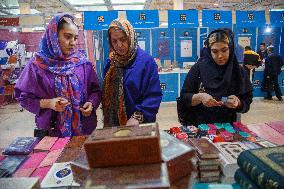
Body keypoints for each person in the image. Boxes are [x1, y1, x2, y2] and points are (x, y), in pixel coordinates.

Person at [14, 14, 101, 137]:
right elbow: (23, 97)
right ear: (53, 37)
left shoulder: (82, 63)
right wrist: (48, 103)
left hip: (83, 129)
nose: (73, 43)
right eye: (68, 37)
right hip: (52, 132)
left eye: (76, 38)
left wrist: (91, 103)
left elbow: (95, 91)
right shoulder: (36, 66)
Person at [179, 29, 253, 125]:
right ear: (209, 51)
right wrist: (200, 97)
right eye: (215, 51)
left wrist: (238, 103)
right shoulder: (199, 68)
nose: (220, 56)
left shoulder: (238, 71)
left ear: (230, 48)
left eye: (224, 50)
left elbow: (247, 100)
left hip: (229, 127)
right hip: (200, 125)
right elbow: (184, 97)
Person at [102, 18, 162, 127]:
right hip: (113, 124)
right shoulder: (111, 62)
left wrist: (137, 117)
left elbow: (153, 95)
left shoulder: (146, 61)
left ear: (131, 37)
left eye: (123, 39)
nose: (119, 45)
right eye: (114, 41)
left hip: (139, 125)